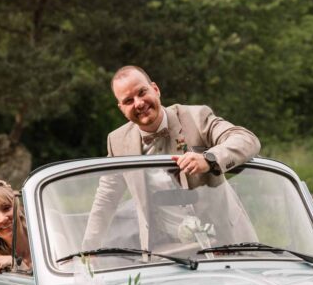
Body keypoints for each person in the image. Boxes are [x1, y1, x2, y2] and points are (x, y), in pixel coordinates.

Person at [82, 65, 261, 250]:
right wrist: (88, 249)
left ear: (156, 89)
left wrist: (209, 159)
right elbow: (106, 199)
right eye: (128, 100)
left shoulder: (196, 117)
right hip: (168, 252)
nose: (139, 103)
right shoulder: (118, 141)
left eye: (142, 92)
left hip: (227, 242)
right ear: (121, 108)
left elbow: (246, 139)